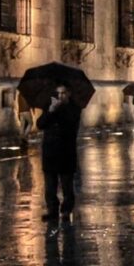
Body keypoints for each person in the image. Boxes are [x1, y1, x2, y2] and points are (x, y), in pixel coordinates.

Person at [38, 88, 83, 227]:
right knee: (50, 186)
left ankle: (66, 210)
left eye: (63, 93)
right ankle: (52, 210)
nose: (60, 96)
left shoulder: (74, 108)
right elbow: (40, 124)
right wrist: (51, 110)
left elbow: (72, 124)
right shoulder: (49, 107)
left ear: (69, 93)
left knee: (66, 185)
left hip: (66, 152)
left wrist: (60, 109)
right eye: (57, 93)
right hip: (50, 152)